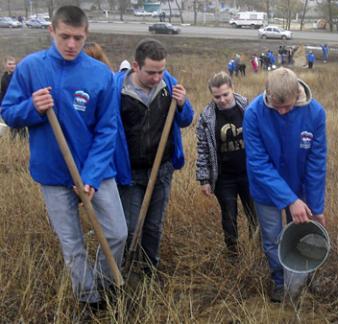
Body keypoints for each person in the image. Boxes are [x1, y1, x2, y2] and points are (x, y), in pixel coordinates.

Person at [0, 6, 127, 311]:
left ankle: (105, 282)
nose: (71, 44)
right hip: (53, 174)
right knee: (72, 244)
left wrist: (92, 177)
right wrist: (32, 107)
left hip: (95, 172)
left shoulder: (99, 74)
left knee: (117, 233)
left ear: (87, 36)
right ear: (52, 32)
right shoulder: (31, 68)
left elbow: (108, 129)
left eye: (78, 38)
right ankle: (89, 299)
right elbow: (8, 113)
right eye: (65, 36)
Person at [243, 67, 327, 303]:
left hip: (300, 186)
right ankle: (279, 281)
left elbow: (316, 164)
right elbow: (258, 164)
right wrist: (289, 200)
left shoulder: (315, 113)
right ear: (267, 93)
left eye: (288, 107)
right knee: (271, 237)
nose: (281, 112)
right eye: (276, 106)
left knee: (303, 233)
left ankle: (304, 277)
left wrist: (316, 207)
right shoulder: (253, 114)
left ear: (298, 94)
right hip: (265, 189)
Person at [114, 38, 194, 274]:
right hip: (131, 173)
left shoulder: (169, 84)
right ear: (136, 67)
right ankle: (124, 269)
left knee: (154, 226)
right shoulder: (118, 90)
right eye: (151, 72)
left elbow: (186, 118)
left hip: (162, 169)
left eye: (161, 71)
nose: (157, 77)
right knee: (128, 228)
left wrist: (181, 104)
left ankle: (150, 270)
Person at [196, 71, 258, 259]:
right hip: (224, 178)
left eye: (225, 94)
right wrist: (204, 179)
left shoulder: (249, 108)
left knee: (254, 214)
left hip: (249, 173)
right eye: (217, 96)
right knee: (229, 216)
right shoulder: (206, 118)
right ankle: (233, 254)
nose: (222, 100)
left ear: (232, 89)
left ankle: (257, 251)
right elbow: (203, 149)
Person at [1, 56, 27, 139]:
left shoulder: (18, 76)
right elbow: (3, 93)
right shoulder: (4, 78)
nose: (12, 66)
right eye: (10, 64)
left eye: (14, 64)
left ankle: (23, 147)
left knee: (22, 132)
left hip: (19, 106)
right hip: (10, 108)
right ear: (5, 65)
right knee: (13, 132)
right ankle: (13, 148)